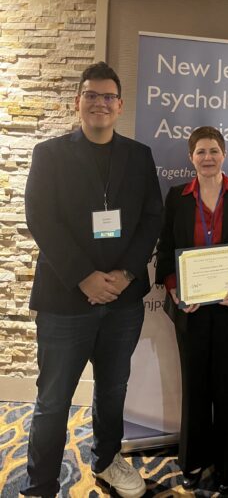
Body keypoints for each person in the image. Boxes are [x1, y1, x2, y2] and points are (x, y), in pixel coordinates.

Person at [20, 62, 163, 498]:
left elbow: (152, 218)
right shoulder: (50, 154)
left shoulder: (139, 156)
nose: (100, 103)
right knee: (53, 399)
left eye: (108, 96)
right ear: (78, 102)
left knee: (113, 388)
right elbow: (40, 219)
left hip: (122, 300)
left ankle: (105, 460)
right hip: (66, 300)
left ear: (120, 106)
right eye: (91, 95)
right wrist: (84, 277)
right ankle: (41, 482)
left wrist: (123, 274)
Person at [155, 126, 228, 494]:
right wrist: (176, 292)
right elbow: (166, 250)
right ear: (190, 157)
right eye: (200, 151)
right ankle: (192, 459)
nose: (207, 157)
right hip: (193, 310)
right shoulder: (177, 197)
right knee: (195, 387)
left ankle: (226, 462)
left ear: (225, 154)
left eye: (214, 150)